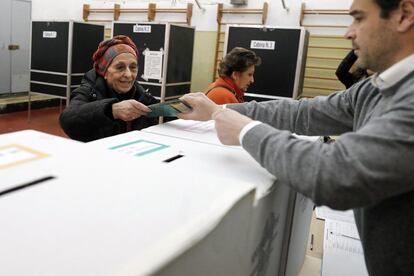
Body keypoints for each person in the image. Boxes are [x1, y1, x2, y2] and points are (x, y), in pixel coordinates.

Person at [178, 0, 414, 274]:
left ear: (404, 15)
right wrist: (220, 111)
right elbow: (303, 112)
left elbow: (335, 173)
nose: (348, 33)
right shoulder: (375, 89)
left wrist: (244, 131)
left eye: (359, 18)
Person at [59, 35, 158, 142]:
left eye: (133, 67)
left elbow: (160, 114)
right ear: (104, 72)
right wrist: (111, 110)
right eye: (120, 67)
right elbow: (68, 119)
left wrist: (176, 111)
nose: (128, 75)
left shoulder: (141, 94)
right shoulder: (89, 91)